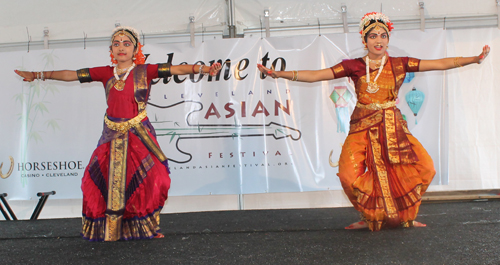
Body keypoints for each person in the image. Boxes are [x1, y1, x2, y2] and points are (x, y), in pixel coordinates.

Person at [257, 12, 490, 231]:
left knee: (426, 168)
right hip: (362, 125)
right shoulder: (354, 66)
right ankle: (369, 215)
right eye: (373, 36)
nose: (378, 40)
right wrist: (280, 74)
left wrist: (474, 59)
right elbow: (317, 75)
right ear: (364, 39)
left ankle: (405, 217)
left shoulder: (400, 63)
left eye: (383, 35)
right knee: (348, 176)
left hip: (392, 126)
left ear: (388, 39)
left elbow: (439, 63)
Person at [15, 26, 222, 241]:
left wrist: (206, 70)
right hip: (111, 136)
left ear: (135, 49)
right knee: (96, 182)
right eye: (116, 44)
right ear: (111, 50)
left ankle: (144, 227)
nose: (121, 47)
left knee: (154, 178)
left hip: (139, 134)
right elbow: (72, 75)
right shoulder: (105, 72)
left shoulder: (145, 71)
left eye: (126, 43)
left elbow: (177, 70)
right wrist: (38, 75)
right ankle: (110, 229)